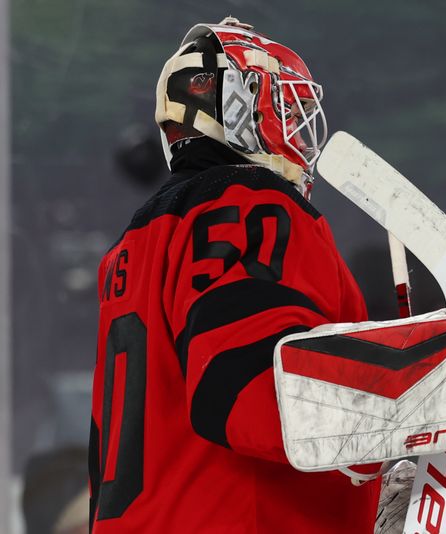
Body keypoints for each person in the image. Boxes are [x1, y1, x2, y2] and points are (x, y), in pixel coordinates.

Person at [89, 17, 379, 532]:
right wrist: (411, 407)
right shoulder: (250, 202)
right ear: (237, 107)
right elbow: (250, 391)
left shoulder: (133, 243)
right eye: (283, 106)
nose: (295, 127)